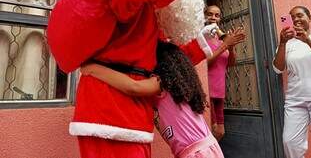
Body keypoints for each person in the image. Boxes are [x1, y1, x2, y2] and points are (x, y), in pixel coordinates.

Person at [47, 0, 207, 158]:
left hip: (129, 114)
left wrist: (207, 45)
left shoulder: (154, 20)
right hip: (109, 109)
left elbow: (174, 60)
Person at [81, 41, 225, 158]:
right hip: (208, 148)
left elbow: (133, 87)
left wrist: (95, 70)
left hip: (196, 153)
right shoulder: (180, 86)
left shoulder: (161, 84)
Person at [273, 6, 311, 158]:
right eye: (292, 17)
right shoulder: (288, 43)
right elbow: (278, 69)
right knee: (289, 142)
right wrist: (282, 43)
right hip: (295, 100)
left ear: (309, 18)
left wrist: (308, 40)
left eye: (300, 15)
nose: (296, 19)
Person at [204, 5, 245, 140]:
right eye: (210, 14)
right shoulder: (201, 38)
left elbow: (231, 63)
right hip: (206, 92)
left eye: (217, 15)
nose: (213, 18)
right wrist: (225, 45)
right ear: (204, 16)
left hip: (219, 93)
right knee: (212, 132)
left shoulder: (221, 39)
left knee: (220, 132)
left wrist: (230, 47)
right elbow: (203, 65)